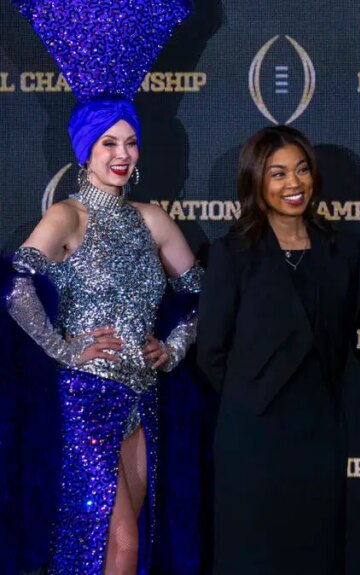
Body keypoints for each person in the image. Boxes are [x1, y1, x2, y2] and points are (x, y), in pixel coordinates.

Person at [4, 2, 196, 573]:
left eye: (129, 143)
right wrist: (65, 348)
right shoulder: (67, 217)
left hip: (143, 396)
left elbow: (204, 294)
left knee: (129, 540)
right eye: (108, 143)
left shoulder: (152, 218)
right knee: (115, 542)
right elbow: (16, 290)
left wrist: (177, 346)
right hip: (87, 397)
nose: (121, 155)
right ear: (85, 149)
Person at [197, 126, 360, 573]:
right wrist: (250, 399)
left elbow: (339, 342)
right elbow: (211, 350)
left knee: (316, 554)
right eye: (278, 173)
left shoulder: (341, 251)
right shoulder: (231, 253)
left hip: (319, 433)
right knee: (252, 554)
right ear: (256, 182)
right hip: (252, 435)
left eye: (302, 170)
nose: (294, 184)